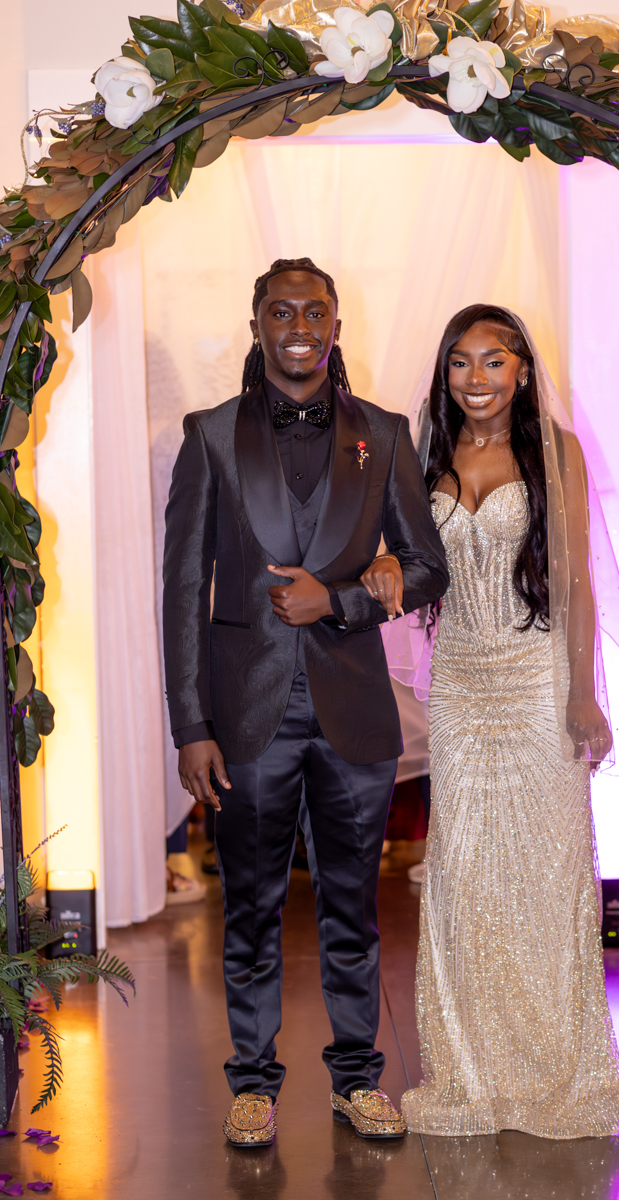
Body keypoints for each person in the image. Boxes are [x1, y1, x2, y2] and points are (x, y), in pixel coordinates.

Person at [162, 258, 448, 1148]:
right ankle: (252, 1083)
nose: (298, 324)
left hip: (354, 715)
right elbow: (179, 590)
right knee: (246, 910)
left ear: (335, 324)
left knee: (352, 911)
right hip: (244, 722)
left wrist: (346, 600)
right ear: (256, 326)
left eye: (314, 311)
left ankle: (357, 1080)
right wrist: (189, 725)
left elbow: (428, 564)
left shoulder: (386, 435)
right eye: (280, 311)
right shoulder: (209, 435)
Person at [381, 304, 619, 1138]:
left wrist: (583, 693)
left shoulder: (556, 452)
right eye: (461, 364)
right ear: (446, 374)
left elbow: (574, 580)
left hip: (538, 678)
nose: (477, 379)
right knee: (465, 876)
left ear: (521, 370)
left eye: (493, 362)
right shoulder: (423, 455)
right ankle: (472, 1070)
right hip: (461, 688)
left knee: (547, 875)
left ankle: (556, 1065)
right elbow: (401, 552)